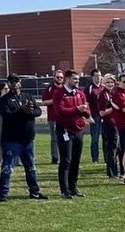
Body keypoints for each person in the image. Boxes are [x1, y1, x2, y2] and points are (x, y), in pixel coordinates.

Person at [0, 74, 49, 201]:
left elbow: (38, 111)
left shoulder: (27, 96)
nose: (15, 84)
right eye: (12, 81)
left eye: (17, 81)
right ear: (8, 83)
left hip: (28, 139)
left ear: (20, 83)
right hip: (11, 140)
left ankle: (34, 192)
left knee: (31, 167)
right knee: (8, 167)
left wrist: (28, 111)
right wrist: (21, 111)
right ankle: (3, 194)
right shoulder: (4, 100)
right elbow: (7, 116)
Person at [53, 70, 89, 198]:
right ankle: (64, 190)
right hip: (65, 130)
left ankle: (73, 187)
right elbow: (60, 111)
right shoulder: (59, 93)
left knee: (76, 160)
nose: (77, 81)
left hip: (78, 129)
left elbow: (87, 112)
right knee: (66, 160)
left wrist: (84, 111)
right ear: (67, 79)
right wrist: (77, 109)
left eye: (78, 79)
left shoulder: (80, 93)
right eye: (74, 79)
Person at [98, 74, 121, 179]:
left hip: (117, 123)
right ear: (104, 83)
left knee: (119, 148)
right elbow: (102, 112)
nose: (110, 84)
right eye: (108, 82)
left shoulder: (113, 93)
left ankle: (120, 171)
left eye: (112, 82)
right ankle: (111, 172)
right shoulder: (103, 95)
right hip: (109, 124)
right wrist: (114, 108)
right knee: (112, 148)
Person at [42, 70, 66, 164]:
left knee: (66, 137)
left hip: (65, 118)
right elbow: (44, 102)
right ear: (54, 77)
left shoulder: (65, 88)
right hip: (53, 118)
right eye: (57, 77)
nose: (59, 79)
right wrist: (54, 100)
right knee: (54, 138)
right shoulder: (49, 89)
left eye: (61, 77)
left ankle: (64, 156)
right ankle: (55, 157)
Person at [86, 68, 107, 165]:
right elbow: (86, 103)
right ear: (92, 77)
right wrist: (88, 115)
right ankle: (95, 159)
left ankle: (107, 158)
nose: (98, 77)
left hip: (105, 115)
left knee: (106, 137)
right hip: (95, 115)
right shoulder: (89, 88)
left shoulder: (104, 87)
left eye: (99, 75)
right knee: (95, 138)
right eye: (96, 76)